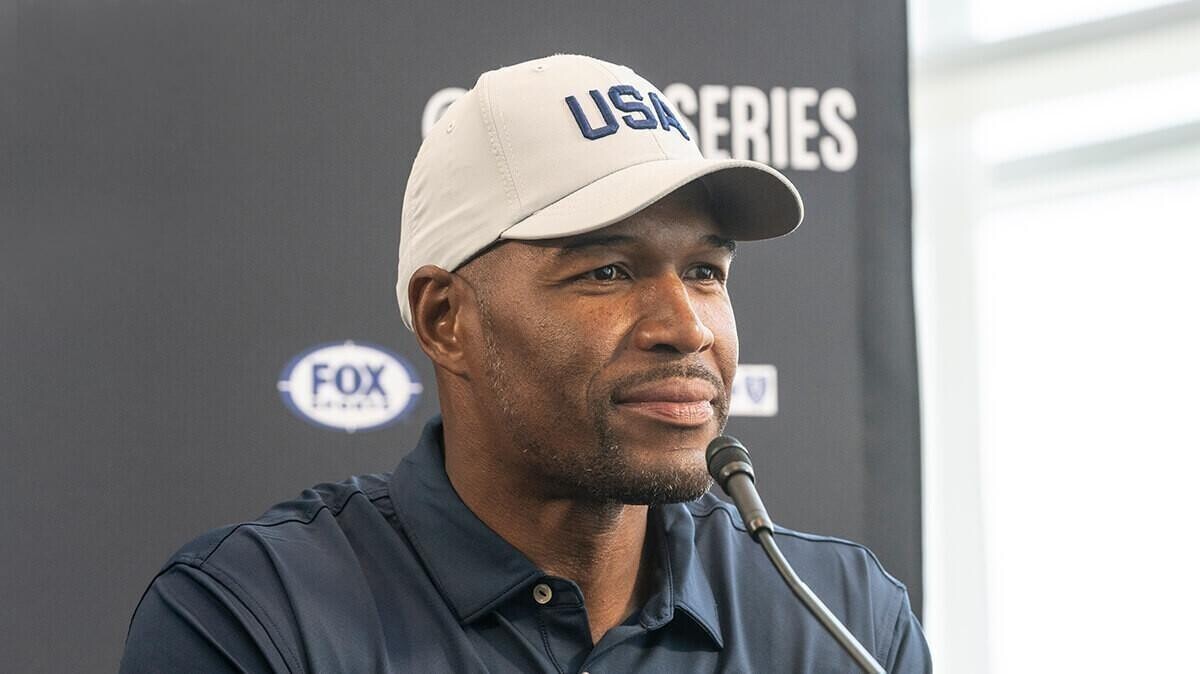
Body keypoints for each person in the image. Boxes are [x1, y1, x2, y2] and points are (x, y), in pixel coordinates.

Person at [120, 54, 931, 673]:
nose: (686, 327)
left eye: (705, 272)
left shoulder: (842, 618)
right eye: (608, 272)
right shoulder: (254, 619)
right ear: (446, 320)